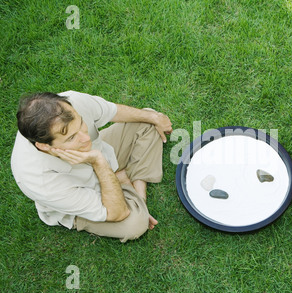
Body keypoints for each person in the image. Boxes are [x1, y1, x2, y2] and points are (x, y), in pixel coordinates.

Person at [11, 91, 173, 242]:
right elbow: (118, 213)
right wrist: (99, 162)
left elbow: (113, 111)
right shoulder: (38, 180)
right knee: (135, 224)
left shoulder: (71, 102)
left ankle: (136, 194)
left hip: (102, 154)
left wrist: (155, 117)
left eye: (81, 123)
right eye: (72, 137)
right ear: (45, 146)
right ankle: (122, 181)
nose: (85, 138)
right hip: (78, 192)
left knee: (148, 122)